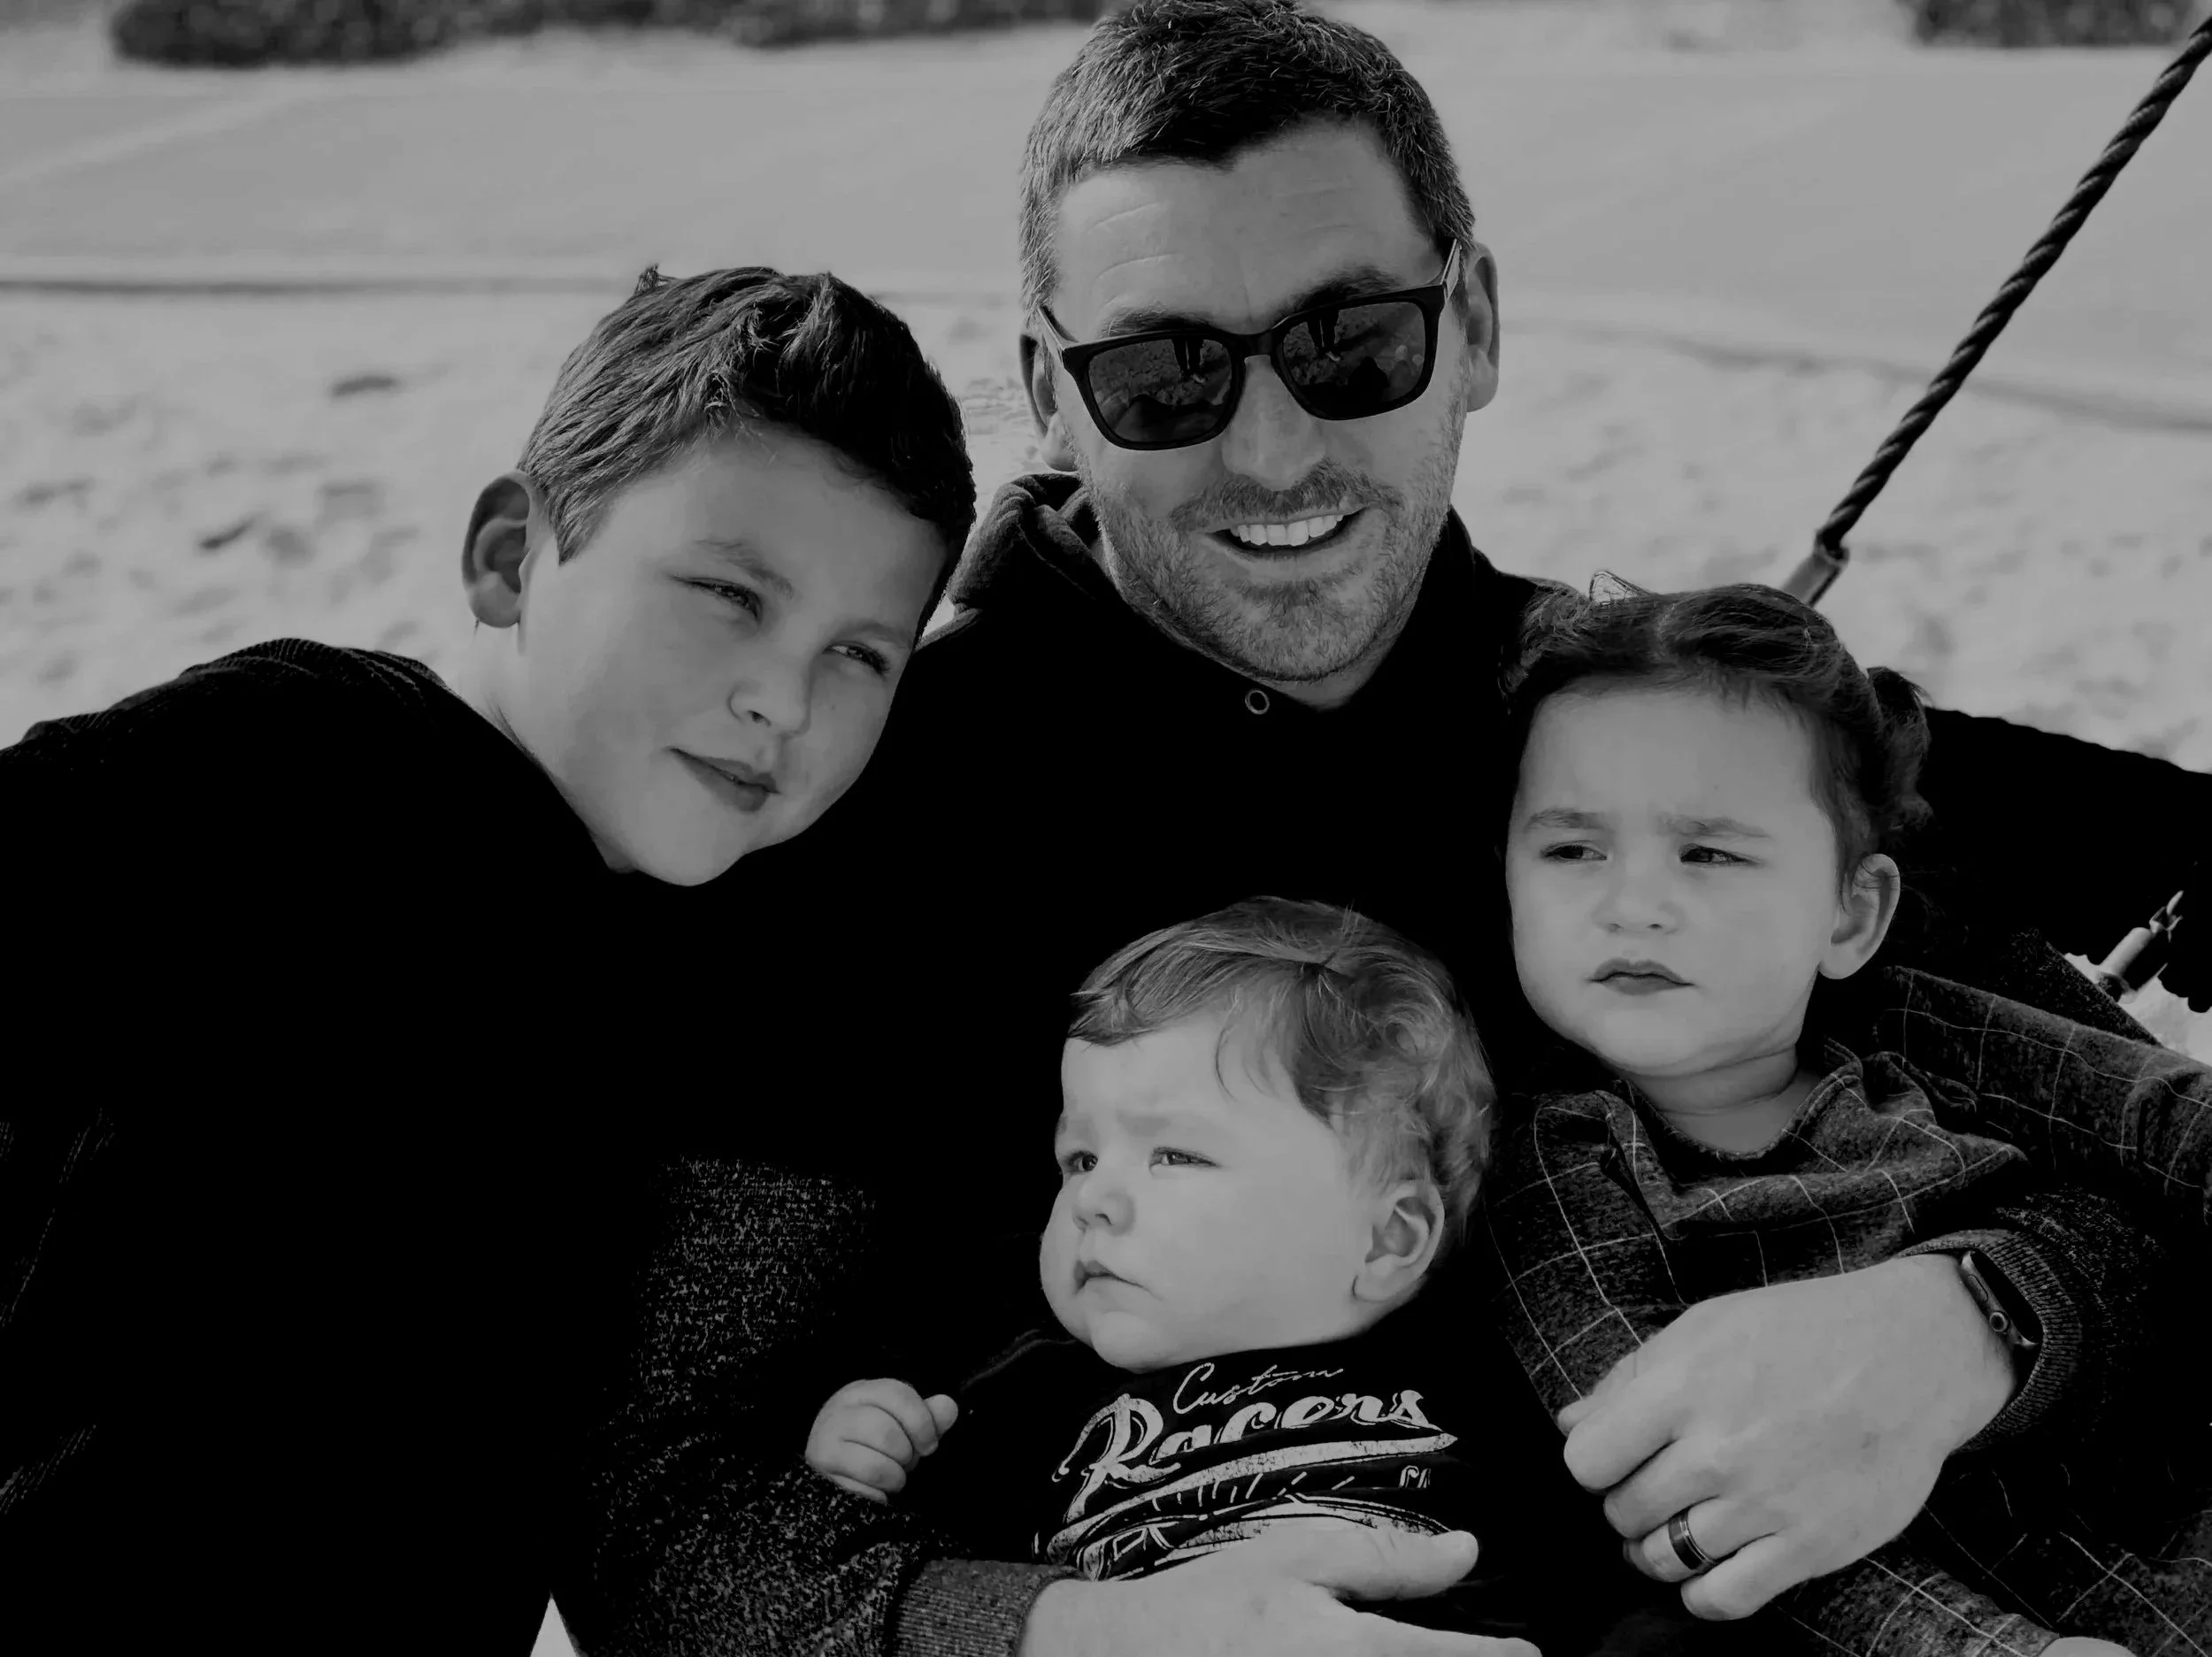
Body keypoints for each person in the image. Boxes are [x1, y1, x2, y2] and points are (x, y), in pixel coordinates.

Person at [577, 4, 2211, 1653]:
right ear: (1053, 395)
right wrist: (1058, 1629)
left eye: (1350, 341)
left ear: (1474, 322)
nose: (1273, 447)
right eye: (1162, 375)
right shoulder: (869, 818)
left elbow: (2157, 1150)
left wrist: (1981, 1321)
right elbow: (658, 1506)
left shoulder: (1649, 750)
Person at [0, 265, 974, 1655]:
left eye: (863, 655)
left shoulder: (695, 945)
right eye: (728, 594)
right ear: (513, 557)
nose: (784, 697)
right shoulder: (297, 764)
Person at [1485, 578, 2210, 1653]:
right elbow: (1701, 1503)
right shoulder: (1555, 1171)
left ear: (1849, 912)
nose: (1630, 902)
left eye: (1707, 852)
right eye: (1570, 850)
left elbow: (2168, 1122)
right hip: (2027, 1612)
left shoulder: (1920, 1029)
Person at [803, 898, 1660, 1653]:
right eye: (1079, 1157)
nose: (1094, 1198)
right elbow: (910, 1594)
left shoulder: (1485, 1361)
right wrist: (863, 1465)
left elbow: (1610, 1551)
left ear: (1386, 1239)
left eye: (1175, 1154)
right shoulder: (1020, 1396)